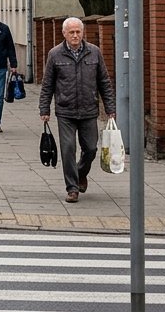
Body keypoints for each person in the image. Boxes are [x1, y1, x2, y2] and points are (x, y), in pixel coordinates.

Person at [39, 17, 116, 203]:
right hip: (65, 110)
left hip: (89, 109)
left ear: (83, 33)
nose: (75, 35)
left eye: (78, 32)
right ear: (64, 33)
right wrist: (44, 108)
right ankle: (72, 188)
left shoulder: (94, 52)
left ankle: (81, 173)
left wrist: (110, 108)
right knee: (68, 149)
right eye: (71, 32)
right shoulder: (55, 54)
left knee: (90, 149)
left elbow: (104, 82)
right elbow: (47, 84)